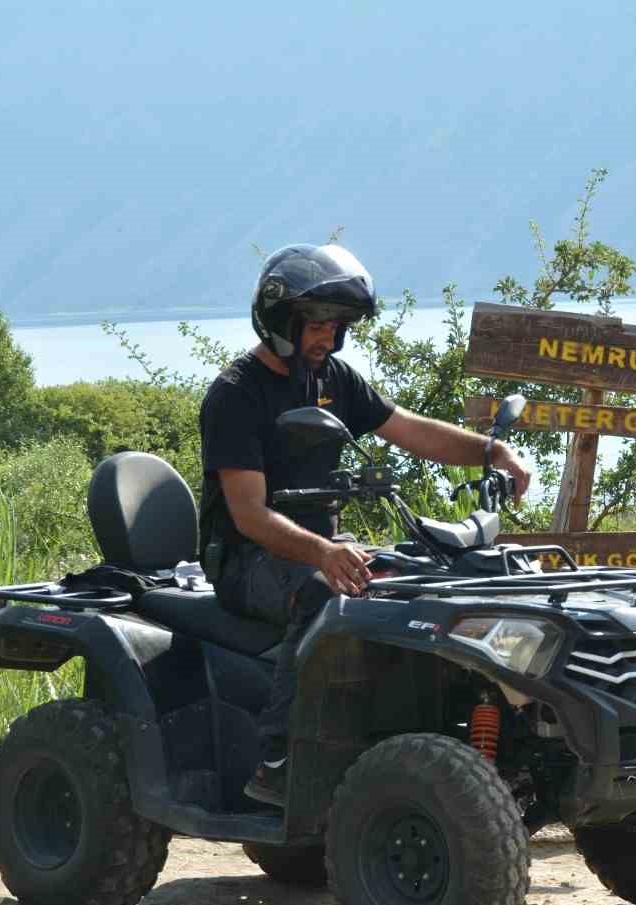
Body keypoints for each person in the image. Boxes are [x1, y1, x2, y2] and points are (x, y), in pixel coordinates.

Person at [198, 244, 532, 806]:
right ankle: (278, 758)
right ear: (281, 320)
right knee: (322, 591)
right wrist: (322, 554)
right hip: (245, 558)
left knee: (411, 579)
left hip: (317, 547)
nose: (330, 337)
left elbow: (410, 430)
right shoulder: (236, 395)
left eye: (338, 325)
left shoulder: (331, 377)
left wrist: (493, 454)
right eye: (319, 324)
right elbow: (249, 514)